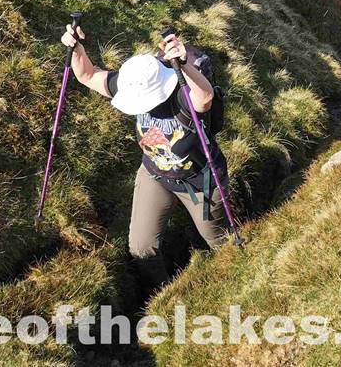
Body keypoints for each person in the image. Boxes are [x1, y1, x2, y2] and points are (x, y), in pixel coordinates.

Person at [61, 23, 229, 288]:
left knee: (219, 239)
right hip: (155, 176)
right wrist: (76, 49)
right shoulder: (129, 83)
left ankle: (234, 275)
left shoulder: (182, 94)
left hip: (199, 179)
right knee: (140, 248)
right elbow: (87, 75)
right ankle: (164, 294)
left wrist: (183, 65)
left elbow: (205, 97)